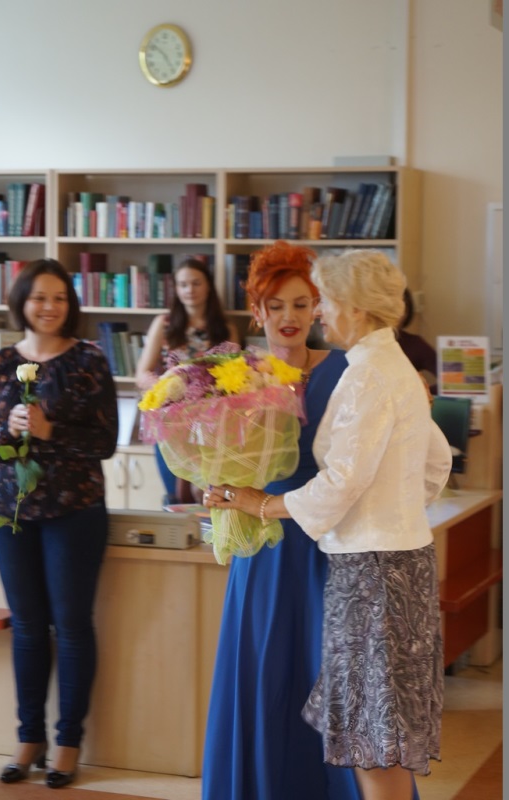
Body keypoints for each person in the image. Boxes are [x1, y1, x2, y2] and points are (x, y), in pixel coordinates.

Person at [203, 249, 452, 800]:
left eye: (318, 302)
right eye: (278, 305)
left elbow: (342, 482)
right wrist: (392, 511)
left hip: (346, 556)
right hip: (330, 549)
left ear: (353, 308)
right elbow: (433, 463)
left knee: (368, 733)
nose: (313, 314)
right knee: (367, 725)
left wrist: (268, 506)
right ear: (257, 311)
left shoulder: (360, 374)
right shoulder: (385, 365)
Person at [201, 240, 363, 800]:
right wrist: (216, 482)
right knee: (266, 672)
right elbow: (212, 453)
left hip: (329, 542)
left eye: (301, 303)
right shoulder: (236, 376)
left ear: (318, 307)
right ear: (257, 311)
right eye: (276, 306)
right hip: (263, 543)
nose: (289, 317)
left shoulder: (345, 370)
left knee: (328, 674)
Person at [0, 258, 118, 789]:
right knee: (28, 627)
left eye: (59, 297)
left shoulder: (89, 359)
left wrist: (50, 430)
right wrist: (8, 431)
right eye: (39, 297)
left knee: (73, 626)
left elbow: (105, 442)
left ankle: (67, 742)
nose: (49, 306)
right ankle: (28, 738)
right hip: (10, 512)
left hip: (74, 510)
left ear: (70, 304)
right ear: (22, 301)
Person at [135, 257, 239, 504]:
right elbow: (142, 374)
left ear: (208, 286)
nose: (189, 290)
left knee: (211, 495)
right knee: (175, 496)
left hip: (213, 425)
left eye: (196, 283)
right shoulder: (164, 324)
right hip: (170, 421)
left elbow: (236, 378)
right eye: (183, 284)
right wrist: (165, 387)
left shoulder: (226, 329)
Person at [397, 287, 438, 393]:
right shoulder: (364, 344)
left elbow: (449, 382)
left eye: (402, 308)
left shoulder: (415, 345)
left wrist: (422, 393)